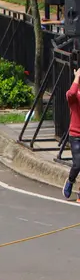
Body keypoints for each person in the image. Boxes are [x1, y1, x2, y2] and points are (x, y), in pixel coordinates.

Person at [64, 67, 80, 201]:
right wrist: (77, 77)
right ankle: (70, 180)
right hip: (76, 135)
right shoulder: (74, 95)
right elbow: (71, 94)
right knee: (78, 164)